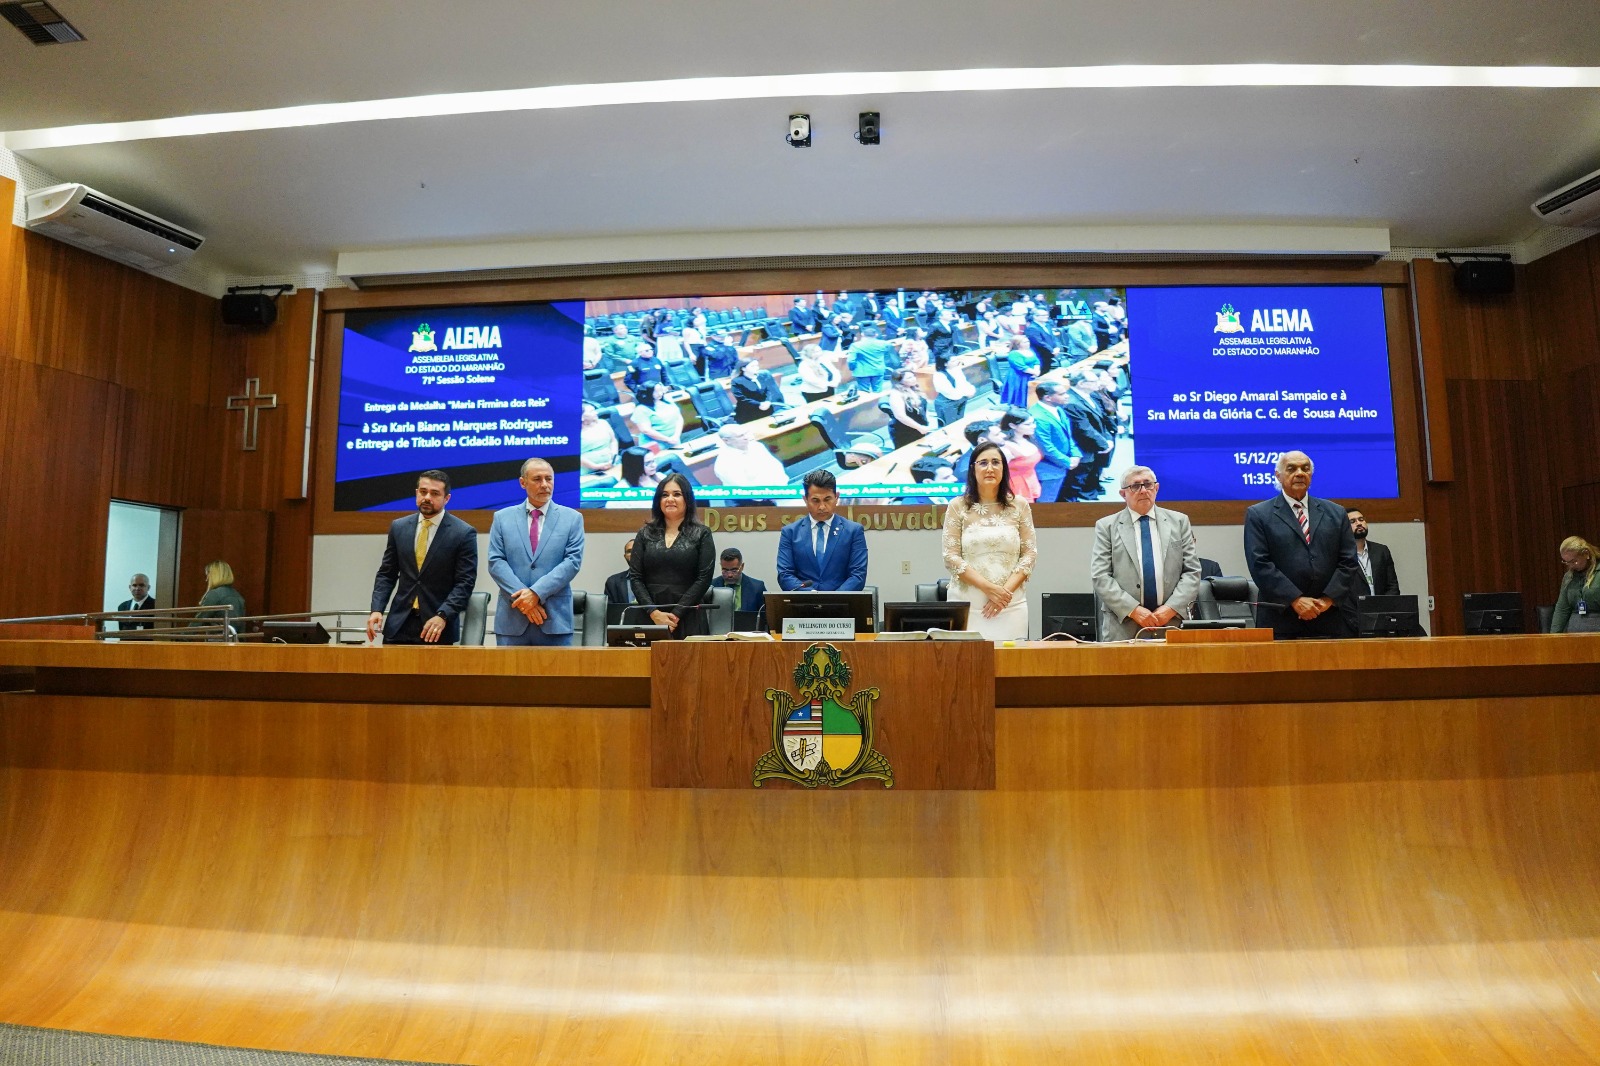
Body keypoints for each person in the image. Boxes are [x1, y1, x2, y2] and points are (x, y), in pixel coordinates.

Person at [1244, 451, 1359, 639]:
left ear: (1311, 475)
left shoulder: (1336, 513)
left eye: (1305, 469)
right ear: (1278, 475)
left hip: (1328, 616)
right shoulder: (1259, 514)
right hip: (1281, 618)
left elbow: (1348, 560)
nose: (1300, 473)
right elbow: (1259, 563)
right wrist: (1294, 599)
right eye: (1292, 469)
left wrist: (1328, 599)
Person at [367, 469, 479, 645]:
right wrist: (377, 609)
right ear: (416, 493)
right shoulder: (399, 527)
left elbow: (465, 582)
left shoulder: (463, 533)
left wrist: (443, 615)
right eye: (423, 492)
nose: (427, 497)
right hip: (399, 624)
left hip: (437, 626)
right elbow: (387, 574)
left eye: (435, 493)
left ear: (447, 498)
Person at [1091, 466, 1203, 640]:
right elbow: (1100, 576)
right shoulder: (1107, 526)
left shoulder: (1179, 521)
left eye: (1148, 484)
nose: (1143, 490)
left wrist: (1171, 608)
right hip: (1124, 625)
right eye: (1135, 486)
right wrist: (1134, 610)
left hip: (1171, 622)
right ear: (1123, 494)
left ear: (1156, 488)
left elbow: (1192, 571)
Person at [941, 441, 1037, 641]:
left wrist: (1003, 594)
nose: (990, 468)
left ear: (1004, 468)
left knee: (1011, 659)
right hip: (967, 605)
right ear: (972, 469)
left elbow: (1029, 554)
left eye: (996, 462)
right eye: (983, 463)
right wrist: (989, 589)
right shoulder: (958, 506)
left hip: (1010, 605)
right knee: (967, 660)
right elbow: (950, 557)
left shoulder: (1019, 505)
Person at [486, 458, 586, 646]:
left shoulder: (572, 518)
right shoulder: (502, 518)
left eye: (549, 479)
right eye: (537, 479)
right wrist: (525, 600)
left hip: (554, 619)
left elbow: (572, 562)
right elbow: (496, 562)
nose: (545, 485)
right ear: (523, 482)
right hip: (512, 620)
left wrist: (536, 593)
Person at [628, 473, 716, 638]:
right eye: (665, 495)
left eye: (676, 494)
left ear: (687, 499)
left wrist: (676, 614)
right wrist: (654, 613)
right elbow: (635, 577)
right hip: (650, 616)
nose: (670, 499)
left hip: (688, 615)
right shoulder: (644, 533)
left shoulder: (702, 533)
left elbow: (704, 578)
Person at [777, 469, 868, 592]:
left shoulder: (853, 531)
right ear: (805, 499)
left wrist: (832, 599)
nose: (822, 507)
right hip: (803, 602)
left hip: (842, 602)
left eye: (827, 499)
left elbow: (858, 576)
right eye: (815, 500)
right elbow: (785, 575)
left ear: (836, 497)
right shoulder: (790, 532)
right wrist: (812, 596)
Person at [1028, 380, 1081, 503]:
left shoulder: (1058, 409)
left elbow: (1068, 435)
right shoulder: (1038, 417)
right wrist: (1067, 461)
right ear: (1048, 397)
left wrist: (1076, 454)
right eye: (1062, 394)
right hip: (1048, 468)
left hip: (1061, 464)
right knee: (1046, 503)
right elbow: (1045, 447)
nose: (1067, 396)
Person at [1345, 507, 1400, 598]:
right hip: (1354, 606)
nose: (1359, 523)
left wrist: (1384, 604)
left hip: (1381, 605)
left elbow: (1392, 586)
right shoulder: (1340, 555)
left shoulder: (1381, 551)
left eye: (1361, 519)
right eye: (1352, 521)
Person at [712, 423, 786, 488]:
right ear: (726, 440)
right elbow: (744, 488)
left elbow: (775, 466)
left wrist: (781, 486)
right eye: (740, 436)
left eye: (745, 433)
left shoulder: (757, 446)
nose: (746, 437)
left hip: (778, 489)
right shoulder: (724, 463)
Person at [1551, 535, 1600, 633]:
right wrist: (1553, 637)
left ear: (1586, 554)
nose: (1571, 566)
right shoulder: (1568, 577)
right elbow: (1562, 609)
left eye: (1574, 561)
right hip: (1573, 633)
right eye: (1566, 562)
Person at [711, 546, 769, 627]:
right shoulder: (712, 586)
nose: (729, 575)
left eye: (734, 570)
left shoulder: (757, 588)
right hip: (719, 630)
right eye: (725, 570)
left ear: (742, 566)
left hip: (748, 631)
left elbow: (766, 620)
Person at [999, 406, 1042, 502]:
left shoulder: (1028, 438)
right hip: (1014, 488)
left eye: (1033, 422)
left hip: (1030, 481)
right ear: (1012, 425)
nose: (1033, 426)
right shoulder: (1006, 448)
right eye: (1028, 424)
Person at [886, 369, 936, 450]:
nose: (914, 379)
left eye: (913, 376)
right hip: (904, 430)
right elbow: (900, 416)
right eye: (909, 378)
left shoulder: (913, 388)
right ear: (899, 381)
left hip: (919, 425)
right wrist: (919, 427)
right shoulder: (896, 394)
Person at [629, 381, 684, 449]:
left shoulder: (667, 400)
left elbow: (679, 418)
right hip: (654, 445)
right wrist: (668, 439)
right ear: (647, 393)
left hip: (674, 440)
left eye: (660, 390)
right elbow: (646, 430)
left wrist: (676, 436)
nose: (660, 393)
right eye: (655, 392)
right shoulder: (641, 409)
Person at [193, 561, 245, 628]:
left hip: (219, 633)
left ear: (214, 575)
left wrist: (183, 634)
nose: (206, 579)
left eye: (208, 575)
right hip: (234, 634)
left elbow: (199, 620)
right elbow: (241, 626)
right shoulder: (237, 596)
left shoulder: (215, 595)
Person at [931, 350, 976, 427]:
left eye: (957, 359)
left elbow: (964, 383)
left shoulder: (957, 369)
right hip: (947, 403)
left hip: (961, 399)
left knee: (960, 422)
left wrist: (971, 391)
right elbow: (950, 392)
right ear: (945, 364)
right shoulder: (939, 375)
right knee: (950, 426)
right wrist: (966, 393)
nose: (957, 362)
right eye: (953, 361)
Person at [846, 324, 894, 393]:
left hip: (862, 371)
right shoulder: (884, 344)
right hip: (878, 369)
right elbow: (888, 356)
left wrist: (852, 368)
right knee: (878, 391)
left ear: (862, 334)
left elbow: (851, 360)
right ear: (876, 335)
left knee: (864, 392)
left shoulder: (856, 345)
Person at [579, 401, 619, 482]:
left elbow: (613, 441)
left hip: (611, 464)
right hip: (586, 471)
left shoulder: (603, 423)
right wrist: (595, 466)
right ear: (581, 417)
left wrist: (613, 458)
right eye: (591, 411)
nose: (596, 412)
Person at [1000, 333, 1040, 408]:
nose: (1027, 343)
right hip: (1019, 377)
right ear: (1017, 344)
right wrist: (1035, 372)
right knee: (1020, 395)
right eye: (1024, 342)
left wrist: (1037, 370)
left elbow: (1036, 361)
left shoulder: (1030, 351)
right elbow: (1021, 367)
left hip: (1031, 375)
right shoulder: (1014, 354)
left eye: (1028, 341)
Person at [731, 358, 776, 423]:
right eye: (753, 366)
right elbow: (742, 398)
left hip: (766, 408)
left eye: (757, 365)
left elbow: (768, 390)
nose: (756, 368)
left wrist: (768, 401)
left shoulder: (761, 377)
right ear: (743, 369)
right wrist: (759, 404)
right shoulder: (737, 381)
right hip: (748, 413)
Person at [1023, 309, 1060, 375]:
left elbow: (1053, 338)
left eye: (1047, 315)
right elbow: (1039, 342)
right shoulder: (1032, 328)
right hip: (1040, 355)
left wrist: (1057, 347)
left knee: (1046, 372)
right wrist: (1052, 350)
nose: (1046, 317)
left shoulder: (1048, 325)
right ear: (1035, 317)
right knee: (1041, 373)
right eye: (1043, 315)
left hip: (1049, 354)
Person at [604, 538, 636, 608]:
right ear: (625, 557)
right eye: (629, 551)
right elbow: (610, 610)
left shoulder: (657, 580)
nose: (633, 554)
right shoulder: (612, 582)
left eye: (637, 549)